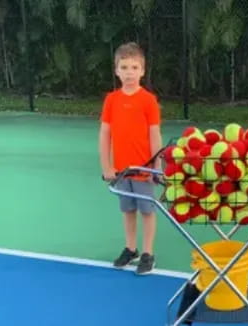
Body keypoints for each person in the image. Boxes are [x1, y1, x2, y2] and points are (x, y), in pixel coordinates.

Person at [99, 42, 162, 275]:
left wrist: (157, 165)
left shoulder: (148, 100)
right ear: (116, 70)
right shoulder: (111, 100)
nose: (129, 72)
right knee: (128, 210)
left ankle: (148, 253)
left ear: (142, 71)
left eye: (134, 67)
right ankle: (131, 248)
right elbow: (105, 133)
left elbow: (154, 134)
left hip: (144, 169)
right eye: (124, 67)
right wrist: (107, 166)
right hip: (121, 170)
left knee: (147, 210)